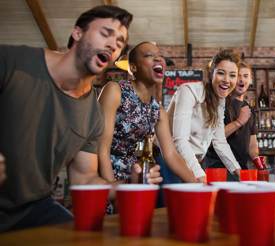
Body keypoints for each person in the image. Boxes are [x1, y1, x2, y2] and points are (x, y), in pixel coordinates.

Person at [0, 5, 161, 232]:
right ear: (77, 33)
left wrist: (129, 185)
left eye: (120, 42)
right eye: (106, 33)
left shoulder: (92, 114)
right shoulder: (12, 61)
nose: (113, 44)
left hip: (34, 208)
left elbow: (85, 180)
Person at [97, 41, 196, 185]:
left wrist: (198, 185)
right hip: (103, 176)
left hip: (133, 178)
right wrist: (112, 191)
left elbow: (171, 155)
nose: (158, 59)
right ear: (133, 67)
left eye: (160, 56)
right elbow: (101, 148)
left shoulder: (157, 110)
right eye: (149, 55)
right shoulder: (115, 91)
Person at [167, 49, 242, 182]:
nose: (226, 80)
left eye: (232, 75)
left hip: (194, 161)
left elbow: (219, 140)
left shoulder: (220, 100)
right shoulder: (188, 91)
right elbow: (179, 140)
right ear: (211, 73)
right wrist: (199, 174)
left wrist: (237, 170)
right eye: (220, 73)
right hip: (170, 160)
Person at [204, 61, 259, 173]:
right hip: (219, 168)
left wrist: (258, 163)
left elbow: (252, 145)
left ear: (250, 80)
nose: (242, 80)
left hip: (240, 168)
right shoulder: (220, 103)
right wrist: (238, 122)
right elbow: (211, 137)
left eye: (245, 76)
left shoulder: (250, 110)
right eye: (238, 75)